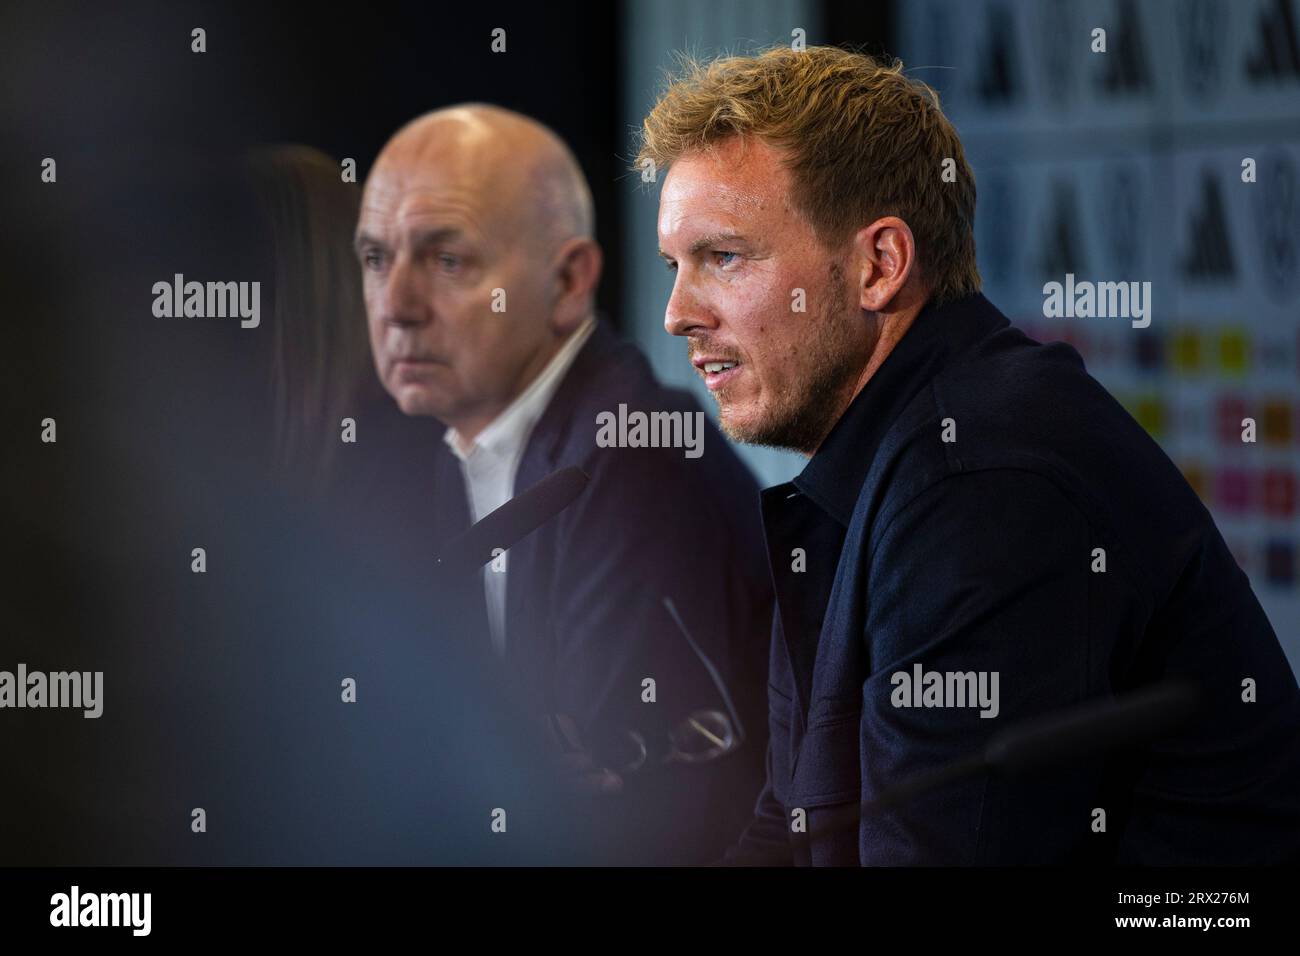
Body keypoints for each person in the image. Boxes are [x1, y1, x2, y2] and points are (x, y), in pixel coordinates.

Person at [639, 45, 1300, 865]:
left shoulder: (981, 480)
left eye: (723, 258)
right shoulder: (878, 452)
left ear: (879, 264)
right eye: (675, 265)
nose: (676, 315)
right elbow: (793, 825)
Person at [356, 104, 772, 864]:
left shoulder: (630, 456)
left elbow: (621, 815)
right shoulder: (456, 451)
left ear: (569, 280)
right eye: (377, 259)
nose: (397, 306)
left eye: (448, 261)